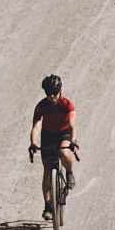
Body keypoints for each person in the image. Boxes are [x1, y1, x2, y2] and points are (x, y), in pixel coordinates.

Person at [29, 74, 78, 221]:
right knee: (47, 171)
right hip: (48, 135)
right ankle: (48, 206)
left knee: (63, 152)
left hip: (63, 134)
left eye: (54, 93)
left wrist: (74, 141)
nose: (52, 96)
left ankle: (69, 173)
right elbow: (36, 127)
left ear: (60, 90)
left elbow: (71, 126)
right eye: (48, 93)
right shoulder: (41, 106)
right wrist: (32, 143)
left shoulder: (66, 104)